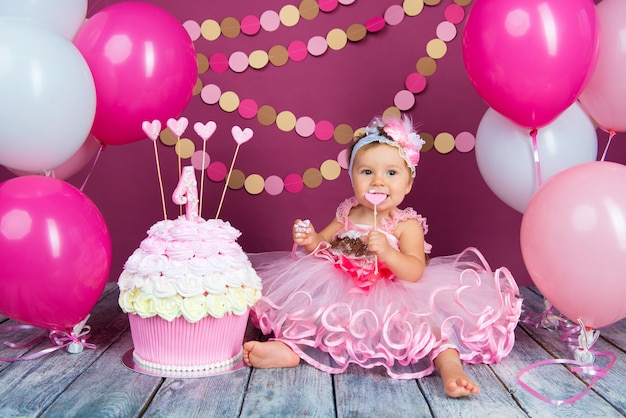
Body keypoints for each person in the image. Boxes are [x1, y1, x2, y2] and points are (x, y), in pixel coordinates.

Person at [243, 115, 522, 397]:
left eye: (391, 173)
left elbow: (414, 271)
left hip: (394, 293)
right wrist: (310, 239)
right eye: (366, 172)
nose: (378, 181)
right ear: (352, 178)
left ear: (408, 184)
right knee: (312, 316)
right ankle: (291, 349)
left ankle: (450, 367)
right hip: (342, 289)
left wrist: (388, 252)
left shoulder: (406, 224)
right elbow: (323, 249)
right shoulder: (347, 213)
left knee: (429, 329)